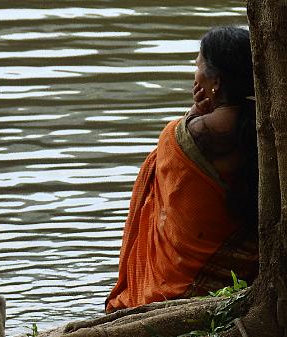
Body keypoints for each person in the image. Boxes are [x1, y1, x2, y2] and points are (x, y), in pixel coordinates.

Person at [105, 26, 259, 312]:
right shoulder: (265, 128)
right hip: (244, 280)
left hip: (174, 293)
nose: (195, 72)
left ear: (215, 81)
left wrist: (193, 112)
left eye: (198, 65)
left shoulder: (185, 135)